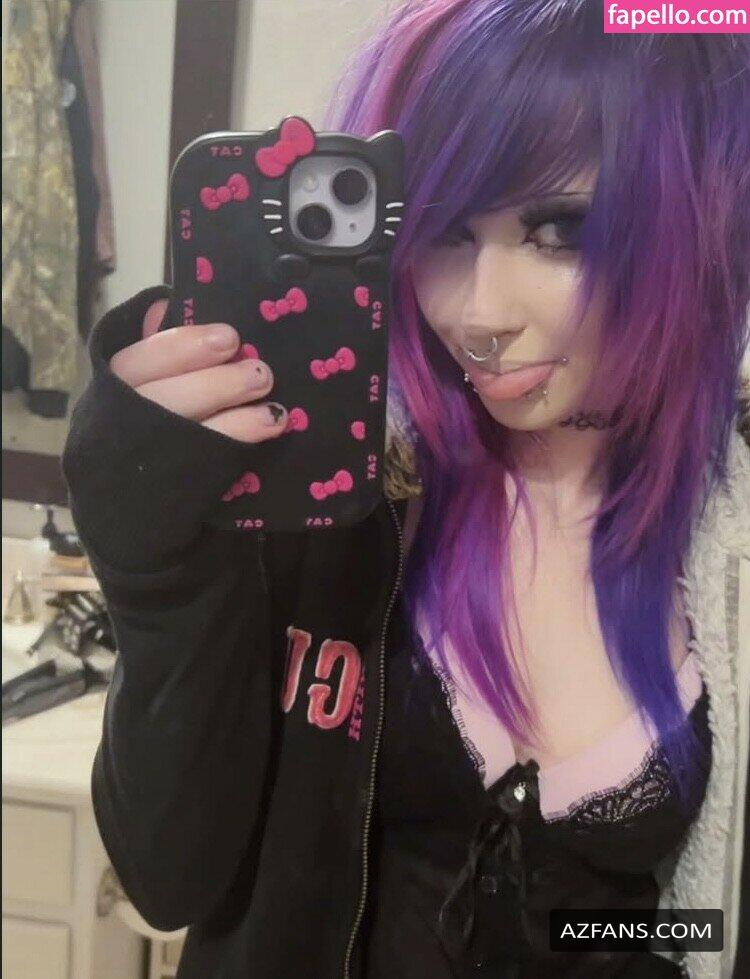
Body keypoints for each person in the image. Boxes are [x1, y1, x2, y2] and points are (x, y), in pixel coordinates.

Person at [62, 2, 750, 977]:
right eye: (443, 232)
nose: (479, 313)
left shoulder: (726, 549)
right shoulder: (328, 488)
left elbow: (698, 922)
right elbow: (171, 880)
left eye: (562, 230)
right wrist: (154, 569)